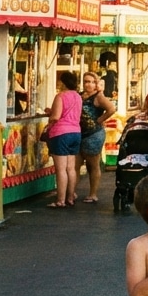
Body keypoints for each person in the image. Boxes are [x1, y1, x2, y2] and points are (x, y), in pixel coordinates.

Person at [77, 71, 116, 203]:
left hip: (94, 134)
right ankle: (72, 192)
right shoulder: (80, 95)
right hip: (80, 133)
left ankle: (93, 193)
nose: (88, 84)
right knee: (76, 164)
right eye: (86, 81)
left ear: (96, 84)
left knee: (93, 164)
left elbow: (111, 109)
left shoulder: (98, 97)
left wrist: (100, 119)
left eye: (92, 82)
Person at [46, 71, 82, 208]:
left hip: (61, 134)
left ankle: (60, 200)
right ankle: (70, 197)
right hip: (75, 133)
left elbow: (55, 116)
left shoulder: (61, 96)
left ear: (62, 82)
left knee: (61, 169)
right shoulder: (78, 97)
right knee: (71, 168)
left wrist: (49, 117)